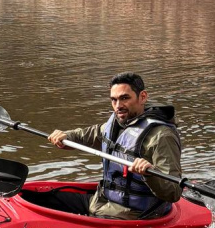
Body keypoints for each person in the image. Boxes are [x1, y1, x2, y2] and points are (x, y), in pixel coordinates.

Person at [40, 73, 182, 219]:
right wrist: (65, 136)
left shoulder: (162, 136)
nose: (118, 106)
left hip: (132, 214)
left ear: (143, 97)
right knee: (38, 198)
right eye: (114, 100)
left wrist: (149, 174)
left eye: (124, 98)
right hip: (101, 202)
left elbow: (173, 192)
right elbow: (85, 136)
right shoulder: (118, 123)